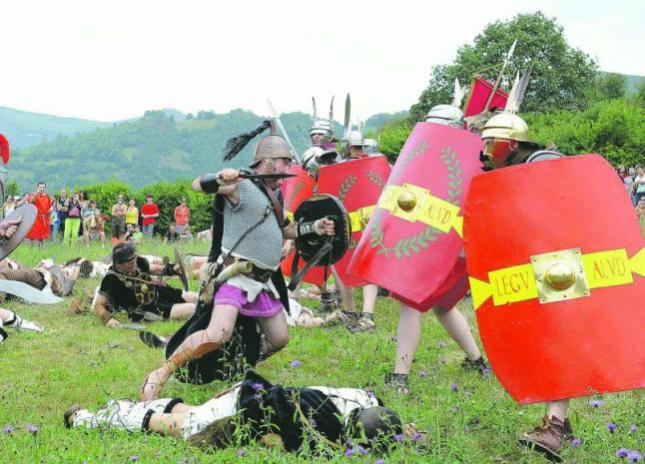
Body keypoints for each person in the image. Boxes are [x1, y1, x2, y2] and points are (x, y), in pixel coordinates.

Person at [139, 120, 335, 400]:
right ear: (268, 160)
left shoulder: (275, 193)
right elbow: (197, 184)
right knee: (216, 334)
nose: (288, 168)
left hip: (263, 282)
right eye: (285, 161)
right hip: (236, 276)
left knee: (279, 338)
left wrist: (315, 227)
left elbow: (285, 230)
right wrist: (221, 177)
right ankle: (161, 373)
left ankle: (236, 368)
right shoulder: (239, 185)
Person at [384, 93, 488, 395]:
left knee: (410, 304)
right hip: (452, 249)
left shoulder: (465, 160)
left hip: (446, 248)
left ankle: (400, 377)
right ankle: (477, 362)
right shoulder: (466, 157)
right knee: (443, 306)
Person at [65, 370, 408, 453]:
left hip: (249, 392)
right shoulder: (327, 434)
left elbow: (378, 407)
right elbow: (278, 437)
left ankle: (124, 407)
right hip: (243, 410)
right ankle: (84, 420)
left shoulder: (360, 399)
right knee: (167, 423)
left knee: (190, 410)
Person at [93, 242, 197, 328]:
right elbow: (98, 305)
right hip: (148, 308)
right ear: (119, 265)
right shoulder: (110, 279)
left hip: (158, 290)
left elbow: (155, 269)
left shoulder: (136, 260)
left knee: (197, 298)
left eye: (135, 261)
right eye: (130, 264)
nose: (135, 265)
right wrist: (108, 319)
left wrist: (173, 269)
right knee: (192, 308)